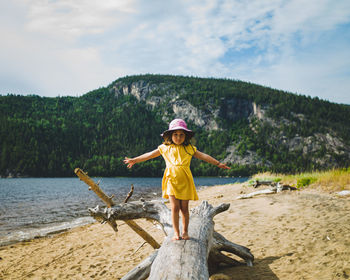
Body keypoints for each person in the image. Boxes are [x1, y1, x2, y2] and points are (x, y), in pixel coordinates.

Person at [124, 118, 230, 241]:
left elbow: (204, 156)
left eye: (181, 135)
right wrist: (134, 160)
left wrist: (218, 164)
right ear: (170, 135)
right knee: (174, 208)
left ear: (186, 136)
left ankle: (185, 232)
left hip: (185, 180)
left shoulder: (189, 148)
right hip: (171, 180)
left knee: (184, 208)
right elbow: (149, 154)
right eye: (175, 134)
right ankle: (176, 233)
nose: (178, 137)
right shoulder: (164, 147)